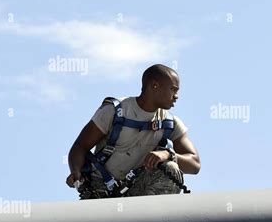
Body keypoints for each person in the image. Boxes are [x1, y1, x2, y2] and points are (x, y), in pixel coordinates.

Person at [65, 64, 201, 198]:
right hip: (100, 190)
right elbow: (79, 147)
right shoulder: (114, 112)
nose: (176, 96)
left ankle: (152, 218)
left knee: (171, 167)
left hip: (136, 191)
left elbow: (195, 164)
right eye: (173, 89)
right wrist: (76, 172)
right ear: (155, 85)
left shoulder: (170, 123)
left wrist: (168, 154)